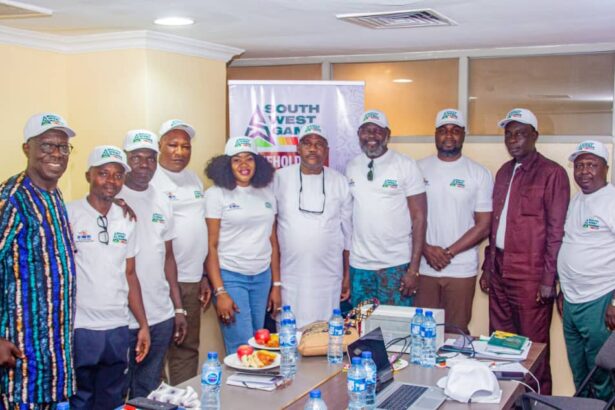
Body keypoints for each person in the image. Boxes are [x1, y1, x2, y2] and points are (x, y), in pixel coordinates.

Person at [480, 108, 570, 395]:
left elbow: (556, 231)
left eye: (520, 134)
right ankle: (506, 401)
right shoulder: (504, 172)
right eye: (508, 135)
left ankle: (538, 403)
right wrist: (487, 268)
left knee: (533, 348)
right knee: (501, 345)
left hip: (531, 276)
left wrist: (548, 279)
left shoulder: (552, 173)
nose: (513, 140)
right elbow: (496, 225)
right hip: (499, 270)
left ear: (535, 136)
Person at [0, 113, 77, 409]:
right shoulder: (11, 199)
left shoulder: (54, 195)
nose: (56, 153)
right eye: (46, 145)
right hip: (20, 360)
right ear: (26, 149)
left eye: (63, 147)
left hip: (55, 359)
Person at [68, 146, 150, 409]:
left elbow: (130, 274)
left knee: (112, 399)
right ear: (88, 176)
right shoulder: (68, 214)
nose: (111, 180)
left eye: (117, 175)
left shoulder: (126, 219)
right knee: (79, 399)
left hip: (117, 326)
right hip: (80, 327)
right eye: (103, 173)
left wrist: (143, 324)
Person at [119, 130, 188, 398]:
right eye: (136, 158)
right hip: (122, 318)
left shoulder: (162, 199)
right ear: (125, 159)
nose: (144, 165)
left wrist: (178, 308)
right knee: (116, 393)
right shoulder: (111, 196)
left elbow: (168, 257)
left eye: (150, 158)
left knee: (147, 393)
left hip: (160, 314)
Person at [416, 109, 493, 334]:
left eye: (455, 130)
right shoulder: (417, 169)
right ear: (435, 134)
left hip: (460, 267)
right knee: (422, 333)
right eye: (443, 130)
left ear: (463, 135)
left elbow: (483, 225)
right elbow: (406, 217)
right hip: (424, 265)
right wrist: (426, 249)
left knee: (456, 333)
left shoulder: (479, 173)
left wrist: (448, 253)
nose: (449, 135)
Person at [204, 136, 279, 354]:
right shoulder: (216, 194)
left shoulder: (267, 193)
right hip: (231, 276)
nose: (244, 165)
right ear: (227, 165)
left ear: (258, 163)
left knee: (259, 340)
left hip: (262, 277)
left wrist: (276, 284)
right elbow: (211, 246)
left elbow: (273, 241)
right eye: (236, 160)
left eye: (249, 159)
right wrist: (220, 291)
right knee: (242, 345)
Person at [274, 124, 352, 328]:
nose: (313, 149)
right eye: (307, 143)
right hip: (289, 275)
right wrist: (274, 281)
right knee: (289, 333)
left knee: (326, 332)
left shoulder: (340, 181)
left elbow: (348, 235)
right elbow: (270, 230)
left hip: (328, 276)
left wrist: (347, 276)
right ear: (297, 149)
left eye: (319, 144)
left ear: (326, 151)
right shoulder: (279, 179)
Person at [345, 110, 427, 306]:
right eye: (366, 130)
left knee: (394, 324)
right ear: (358, 134)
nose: (371, 136)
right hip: (360, 267)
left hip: (395, 266)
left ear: (387, 134)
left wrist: (414, 269)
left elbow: (419, 217)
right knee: (361, 322)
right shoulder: (351, 166)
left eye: (377, 130)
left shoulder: (406, 165)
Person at [150, 119, 210, 384]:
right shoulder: (150, 179)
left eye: (186, 146)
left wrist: (204, 275)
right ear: (160, 145)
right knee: (156, 349)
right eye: (173, 145)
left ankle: (184, 398)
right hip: (161, 281)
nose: (180, 152)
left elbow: (199, 228)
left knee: (187, 347)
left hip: (192, 279)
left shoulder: (193, 178)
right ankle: (157, 400)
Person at [558, 140, 614, 400]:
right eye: (579, 165)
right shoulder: (577, 199)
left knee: (600, 374)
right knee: (579, 372)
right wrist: (562, 289)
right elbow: (570, 244)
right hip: (571, 300)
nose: (584, 171)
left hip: (599, 298)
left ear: (606, 168)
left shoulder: (611, 201)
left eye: (592, 165)